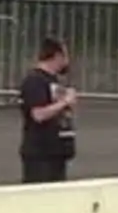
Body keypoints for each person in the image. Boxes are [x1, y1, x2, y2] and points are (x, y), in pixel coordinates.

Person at [20, 37, 78, 184]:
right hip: (41, 154)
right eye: (66, 56)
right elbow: (38, 114)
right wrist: (65, 101)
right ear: (57, 56)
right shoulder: (35, 81)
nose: (68, 61)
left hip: (56, 152)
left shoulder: (54, 81)